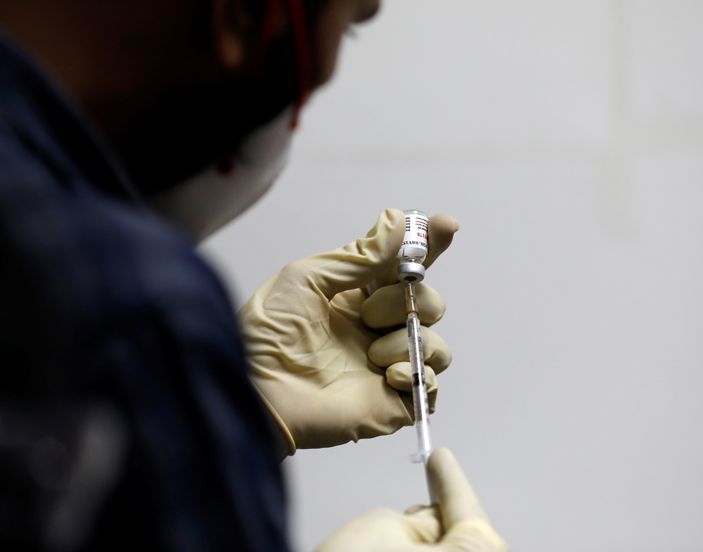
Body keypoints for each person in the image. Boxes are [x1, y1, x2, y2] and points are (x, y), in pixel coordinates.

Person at [0, 1, 506, 550]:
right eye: (351, 25)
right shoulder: (132, 308)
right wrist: (176, 379)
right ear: (238, 16)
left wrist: (232, 411)